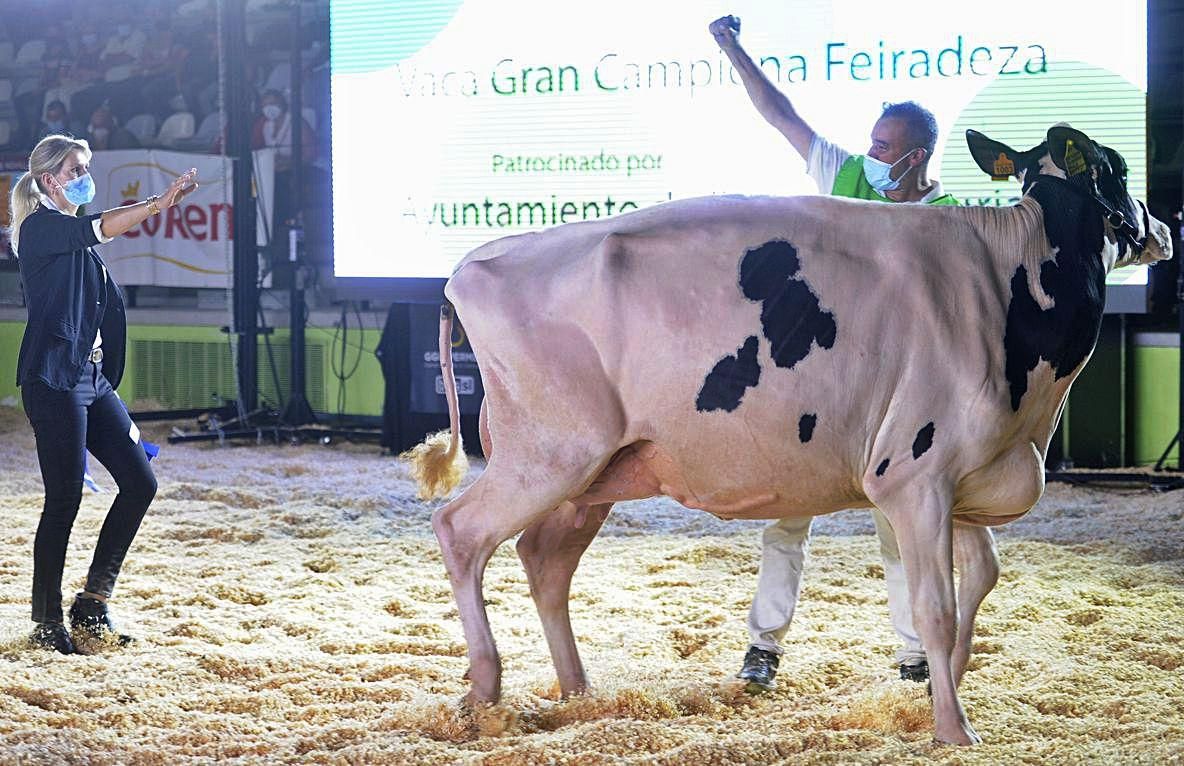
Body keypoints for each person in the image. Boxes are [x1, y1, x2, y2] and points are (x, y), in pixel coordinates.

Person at [709, 14, 960, 692]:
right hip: (823, 383)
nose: (871, 152)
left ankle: (914, 656)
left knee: (904, 526)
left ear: (917, 157)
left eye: (885, 145)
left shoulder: (950, 219)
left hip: (901, 399)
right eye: (873, 141)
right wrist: (733, 49)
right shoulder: (845, 172)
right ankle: (762, 648)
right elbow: (781, 115)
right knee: (784, 517)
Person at [8, 134, 197, 654]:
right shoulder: (41, 228)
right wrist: (158, 204)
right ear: (51, 180)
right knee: (64, 497)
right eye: (76, 169)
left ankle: (92, 603)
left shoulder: (66, 232)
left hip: (90, 380)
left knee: (140, 482)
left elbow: (99, 228)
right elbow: (99, 226)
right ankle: (46, 621)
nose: (84, 176)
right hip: (54, 380)